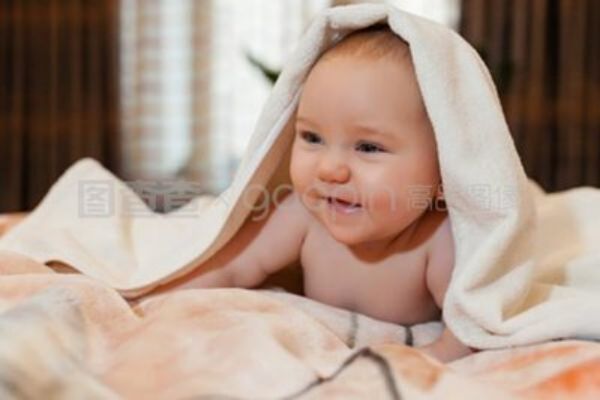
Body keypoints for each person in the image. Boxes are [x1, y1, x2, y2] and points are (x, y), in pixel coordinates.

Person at [157, 25, 476, 363]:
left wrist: (414, 361)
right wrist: (160, 307)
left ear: (445, 162)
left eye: (368, 147)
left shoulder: (440, 238)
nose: (330, 169)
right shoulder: (302, 215)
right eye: (311, 137)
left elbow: (468, 335)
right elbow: (229, 268)